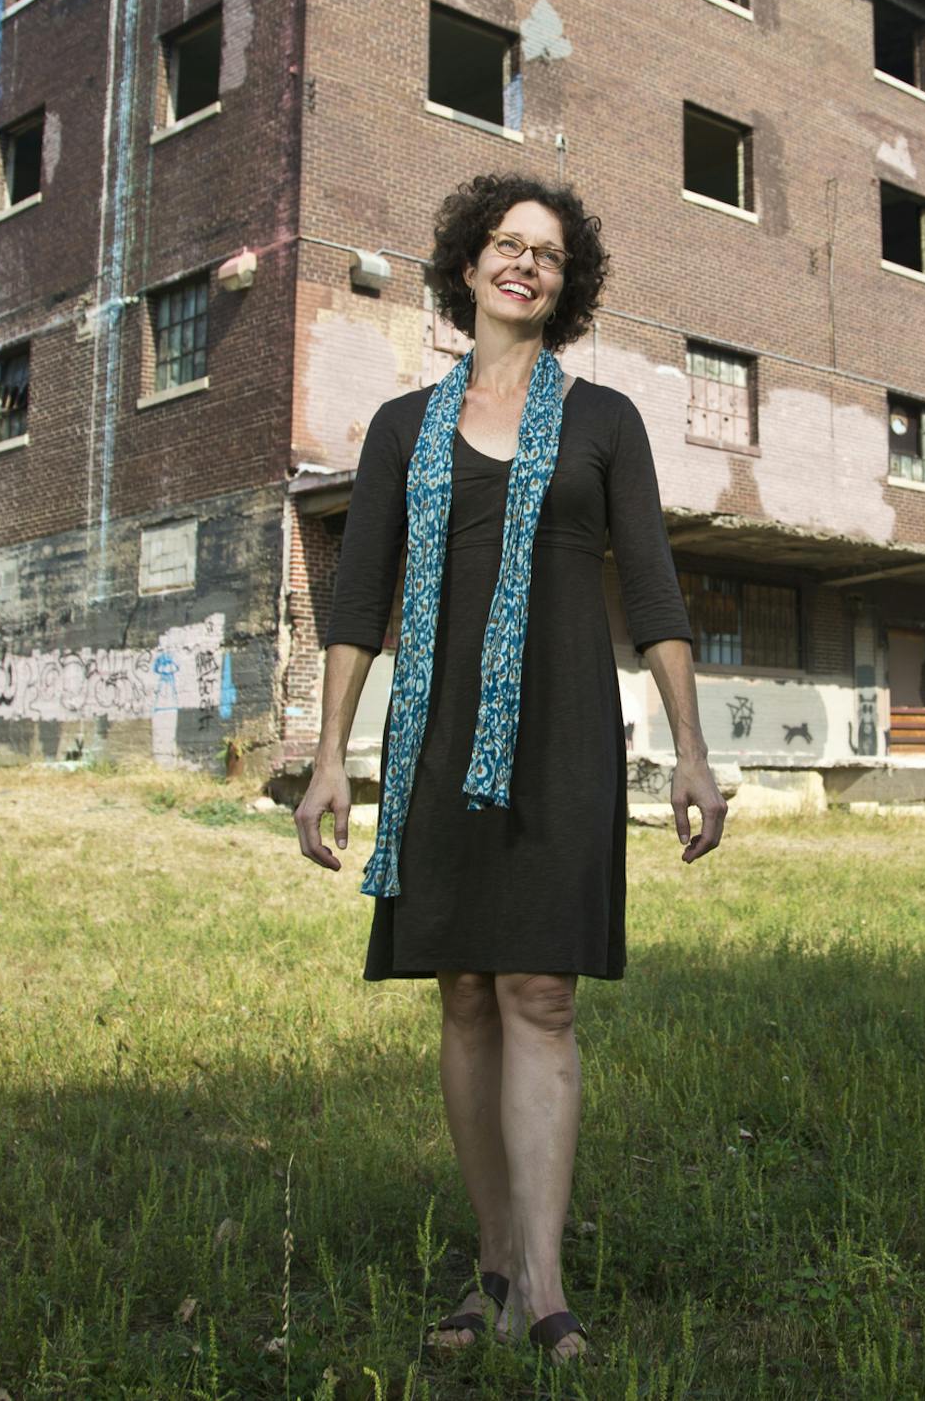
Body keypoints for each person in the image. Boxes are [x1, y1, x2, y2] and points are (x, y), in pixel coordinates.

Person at [293, 173, 729, 1367]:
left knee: (540, 990)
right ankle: (489, 1261)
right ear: (467, 265)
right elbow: (359, 599)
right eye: (504, 243)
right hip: (435, 740)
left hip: (563, 739)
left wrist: (692, 751)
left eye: (545, 251)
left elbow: (653, 591)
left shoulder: (604, 422)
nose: (523, 263)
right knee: (466, 992)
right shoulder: (400, 429)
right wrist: (332, 757)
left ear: (566, 279)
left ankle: (544, 1283)